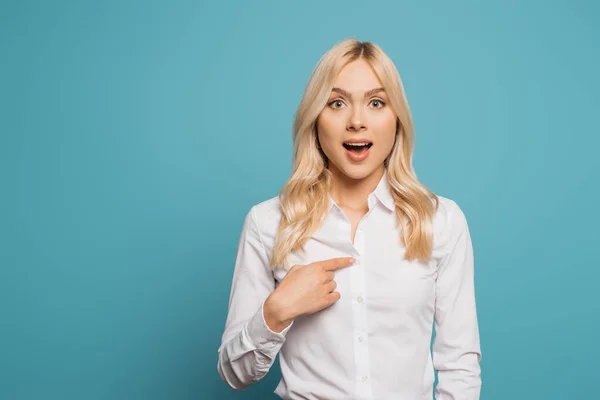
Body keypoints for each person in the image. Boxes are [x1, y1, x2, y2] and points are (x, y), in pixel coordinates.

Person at [216, 38, 482, 399]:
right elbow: (234, 374)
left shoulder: (441, 221)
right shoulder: (268, 223)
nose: (357, 121)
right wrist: (275, 312)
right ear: (315, 119)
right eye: (337, 103)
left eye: (376, 103)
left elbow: (459, 365)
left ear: (396, 118)